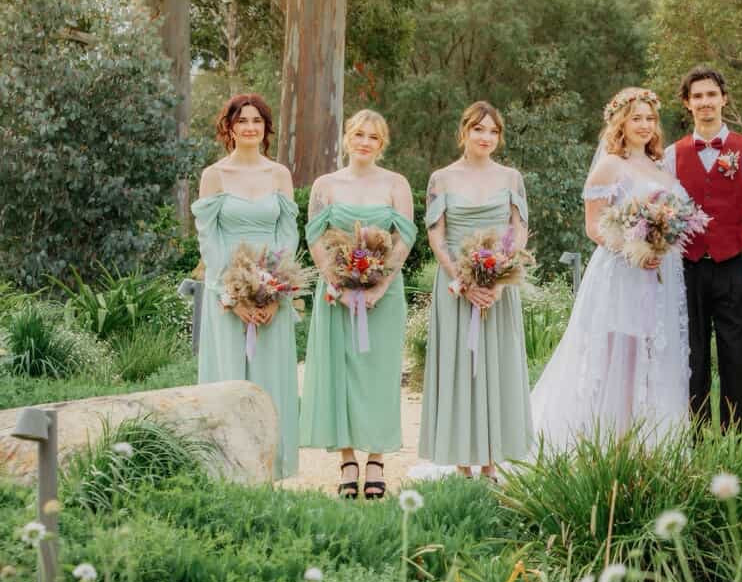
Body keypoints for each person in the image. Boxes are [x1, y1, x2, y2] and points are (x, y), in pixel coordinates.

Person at [530, 88, 691, 450]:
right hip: (622, 273)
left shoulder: (660, 166)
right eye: (637, 118)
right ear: (621, 121)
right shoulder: (610, 166)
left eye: (650, 118)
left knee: (650, 350)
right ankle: (608, 440)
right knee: (618, 351)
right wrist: (635, 251)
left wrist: (661, 243)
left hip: (659, 275)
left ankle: (644, 438)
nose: (645, 125)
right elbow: (594, 227)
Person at [299, 110, 415, 499]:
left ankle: (377, 458)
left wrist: (379, 286)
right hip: (337, 293)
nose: (365, 142)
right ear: (347, 138)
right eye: (359, 134)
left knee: (379, 375)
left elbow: (405, 238)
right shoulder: (325, 185)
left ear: (382, 145)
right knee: (342, 374)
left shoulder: (396, 184)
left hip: (384, 293)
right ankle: (347, 459)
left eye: (374, 137)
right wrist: (336, 283)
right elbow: (314, 236)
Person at [419, 103, 532, 480]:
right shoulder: (442, 178)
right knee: (460, 367)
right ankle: (463, 463)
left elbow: (518, 231)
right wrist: (463, 279)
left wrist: (498, 279)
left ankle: (491, 462)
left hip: (499, 289)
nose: (486, 138)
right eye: (479, 130)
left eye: (493, 132)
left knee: (496, 366)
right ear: (464, 131)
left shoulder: (511, 178)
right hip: (456, 287)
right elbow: (436, 234)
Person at [192, 93, 300, 479]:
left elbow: (288, 237)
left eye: (256, 121)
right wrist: (231, 295)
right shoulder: (214, 175)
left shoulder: (279, 175)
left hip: (272, 291)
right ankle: (227, 472)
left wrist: (276, 292)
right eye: (242, 121)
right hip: (226, 294)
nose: (250, 127)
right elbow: (208, 239)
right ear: (230, 128)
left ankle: (271, 472)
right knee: (229, 380)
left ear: (265, 128)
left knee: (271, 382)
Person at [663, 67, 742, 432]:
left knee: (736, 358)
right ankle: (695, 442)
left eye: (711, 94)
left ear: (723, 99)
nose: (705, 102)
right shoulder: (670, 155)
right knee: (691, 361)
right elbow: (661, 215)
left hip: (733, 269)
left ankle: (738, 442)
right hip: (686, 270)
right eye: (697, 96)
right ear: (687, 104)